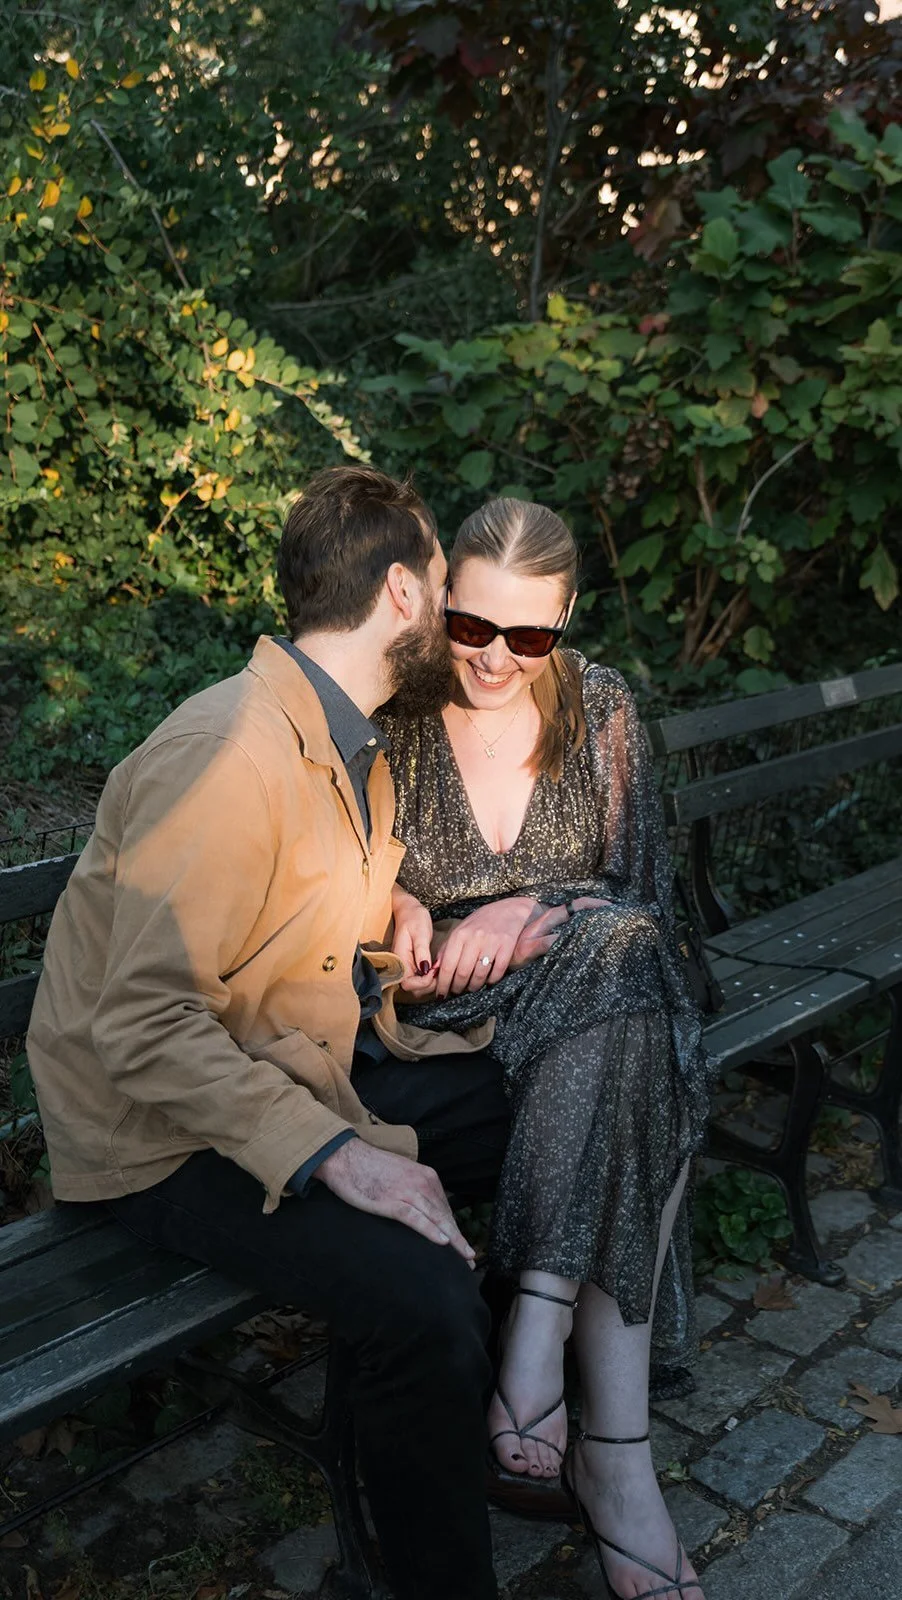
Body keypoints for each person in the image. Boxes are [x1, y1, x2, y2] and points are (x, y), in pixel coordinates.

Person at [26, 467, 515, 1600]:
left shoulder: (339, 736)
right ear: (402, 591)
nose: (454, 611)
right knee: (424, 1302)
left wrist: (394, 914)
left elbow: (278, 918)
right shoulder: (226, 751)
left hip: (286, 1070)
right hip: (160, 1139)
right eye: (443, 582)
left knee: (546, 1097)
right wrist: (341, 1156)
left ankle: (508, 1410)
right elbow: (143, 1023)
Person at [383, 498, 712, 1600]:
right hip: (453, 1019)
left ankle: (540, 1328)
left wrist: (532, 906)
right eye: (472, 626)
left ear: (565, 620)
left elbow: (643, 897)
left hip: (592, 996)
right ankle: (614, 1458)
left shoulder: (598, 704)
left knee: (622, 977)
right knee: (640, 1048)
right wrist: (394, 902)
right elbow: (332, 856)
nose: (494, 659)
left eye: (527, 636)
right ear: (441, 604)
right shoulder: (397, 708)